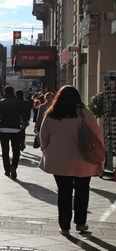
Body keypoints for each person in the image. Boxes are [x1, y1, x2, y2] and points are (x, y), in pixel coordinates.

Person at [39, 85, 105, 235]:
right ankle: (80, 223)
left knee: (64, 192)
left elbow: (44, 137)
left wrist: (47, 150)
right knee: (82, 190)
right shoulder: (85, 114)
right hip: (83, 159)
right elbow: (97, 136)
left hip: (59, 160)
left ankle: (64, 226)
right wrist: (101, 158)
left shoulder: (52, 114)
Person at [0, 86, 22, 179]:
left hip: (3, 129)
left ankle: (7, 170)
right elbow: (24, 115)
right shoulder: (18, 102)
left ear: (5, 93)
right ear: (13, 92)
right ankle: (13, 166)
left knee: (5, 151)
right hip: (16, 129)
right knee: (16, 150)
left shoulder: (0, 103)